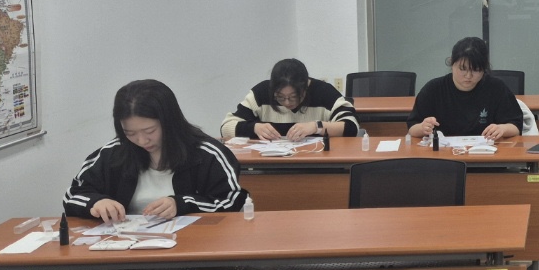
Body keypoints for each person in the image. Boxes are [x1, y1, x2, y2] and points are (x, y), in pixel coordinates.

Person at [65, 79, 247, 222]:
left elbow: (231, 202)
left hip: (191, 246)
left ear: (169, 121)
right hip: (125, 245)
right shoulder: (112, 154)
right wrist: (96, 202)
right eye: (130, 133)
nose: (141, 141)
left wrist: (181, 203)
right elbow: (73, 195)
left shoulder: (208, 155)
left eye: (150, 131)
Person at [407, 36, 523, 141]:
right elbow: (412, 128)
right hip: (444, 152)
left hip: (485, 152)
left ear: (484, 69)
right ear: (452, 63)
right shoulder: (433, 89)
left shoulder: (496, 88)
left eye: (476, 70)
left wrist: (502, 128)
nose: (468, 76)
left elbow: (516, 126)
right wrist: (423, 128)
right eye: (462, 69)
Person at [220, 58, 358, 141]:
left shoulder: (324, 92)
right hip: (271, 166)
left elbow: (352, 127)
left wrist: (316, 127)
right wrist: (254, 128)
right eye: (280, 97)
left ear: (305, 87)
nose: (287, 102)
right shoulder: (260, 93)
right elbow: (226, 127)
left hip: (317, 165)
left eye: (294, 97)